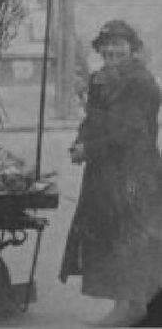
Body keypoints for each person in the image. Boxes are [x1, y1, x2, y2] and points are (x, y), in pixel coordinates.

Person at [60, 20, 162, 327]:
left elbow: (131, 132)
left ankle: (131, 308)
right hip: (104, 172)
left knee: (129, 239)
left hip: (135, 173)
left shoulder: (141, 82)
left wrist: (88, 150)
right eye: (106, 44)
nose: (111, 50)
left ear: (132, 48)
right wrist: (80, 141)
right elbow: (92, 120)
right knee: (109, 236)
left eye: (119, 44)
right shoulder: (100, 79)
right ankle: (125, 306)